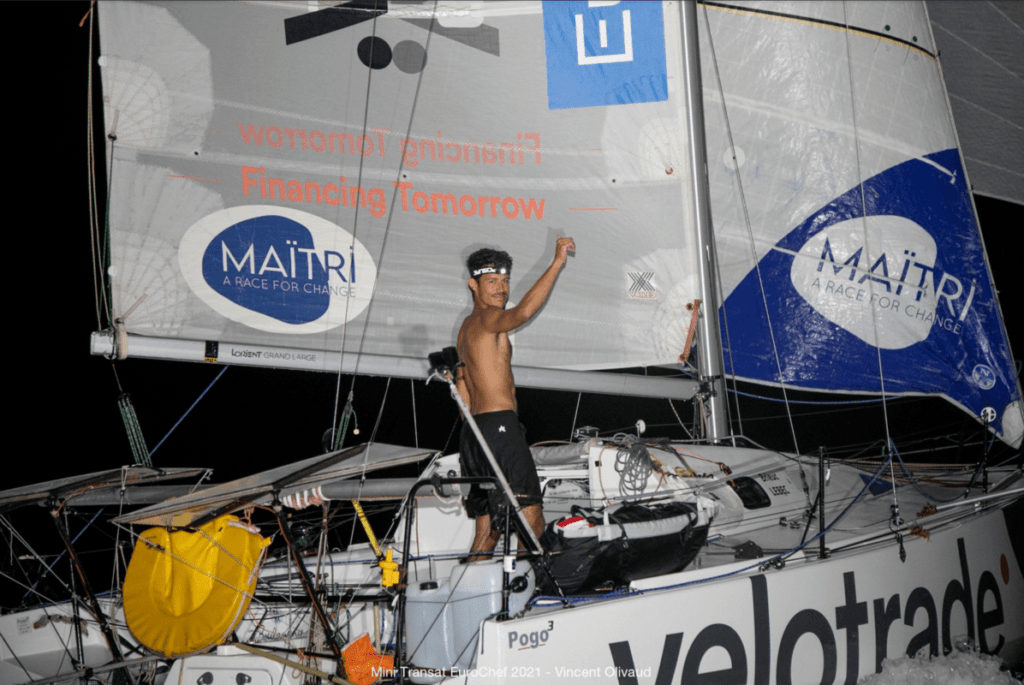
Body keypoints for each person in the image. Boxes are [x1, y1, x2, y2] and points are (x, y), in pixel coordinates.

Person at [456, 237, 576, 560]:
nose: (501, 288)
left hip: (475, 434)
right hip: (499, 429)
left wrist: (480, 435)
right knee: (531, 517)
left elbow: (462, 385)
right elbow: (522, 312)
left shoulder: (465, 329)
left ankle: (470, 595)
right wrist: (556, 264)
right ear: (473, 284)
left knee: (488, 530)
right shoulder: (489, 319)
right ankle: (528, 592)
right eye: (491, 281)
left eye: (505, 280)